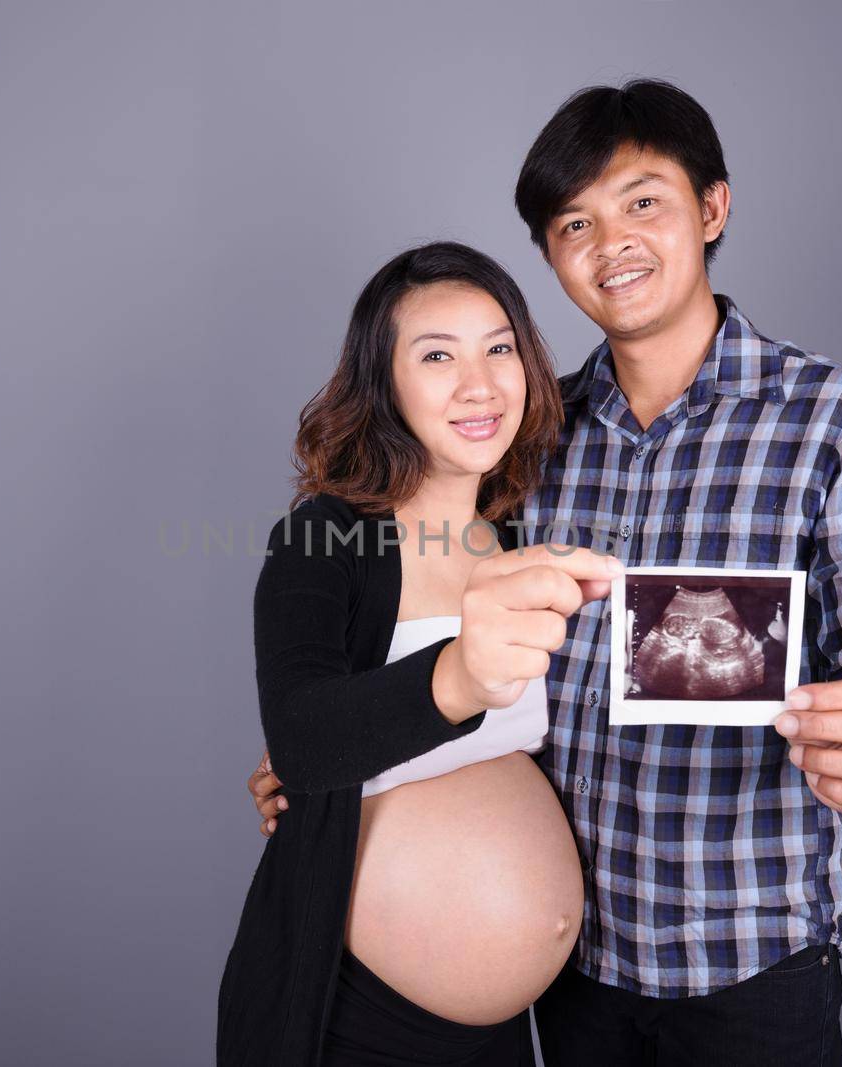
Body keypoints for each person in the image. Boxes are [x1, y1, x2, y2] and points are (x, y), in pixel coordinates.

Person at [249, 78, 842, 1065]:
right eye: (572, 222)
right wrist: (327, 762)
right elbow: (428, 642)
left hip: (748, 959)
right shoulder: (525, 449)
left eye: (641, 202)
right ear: (550, 255)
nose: (609, 244)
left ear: (710, 207)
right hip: (577, 978)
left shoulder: (841, 421)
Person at [217, 241, 625, 1066]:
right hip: (361, 1021)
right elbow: (303, 737)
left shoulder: (518, 535)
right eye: (437, 355)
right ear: (385, 381)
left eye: (500, 348)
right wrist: (458, 674)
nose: (479, 385)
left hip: (510, 1036)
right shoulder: (323, 536)